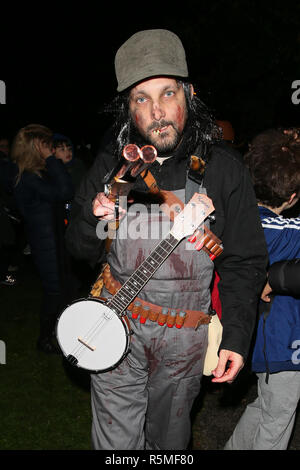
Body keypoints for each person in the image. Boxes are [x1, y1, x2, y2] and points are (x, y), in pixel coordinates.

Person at [65, 29, 267, 450]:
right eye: (141, 98)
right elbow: (80, 251)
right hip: (112, 321)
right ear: (128, 109)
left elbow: (244, 262)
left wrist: (236, 338)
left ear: (189, 95)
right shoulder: (112, 165)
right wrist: (92, 217)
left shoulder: (226, 170)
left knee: (169, 443)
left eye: (168, 93)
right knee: (115, 444)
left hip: (183, 340)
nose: (157, 111)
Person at [225, 127, 300, 450]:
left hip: (262, 339)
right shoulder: (276, 231)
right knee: (279, 414)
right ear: (293, 196)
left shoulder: (236, 217)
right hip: (280, 343)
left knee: (266, 407)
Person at [11, 124, 74, 353]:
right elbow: (65, 192)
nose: (50, 149)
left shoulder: (39, 174)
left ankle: (58, 333)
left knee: (63, 289)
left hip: (55, 241)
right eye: (46, 145)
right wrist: (51, 159)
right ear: (34, 148)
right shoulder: (26, 177)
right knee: (54, 292)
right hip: (45, 244)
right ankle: (45, 339)